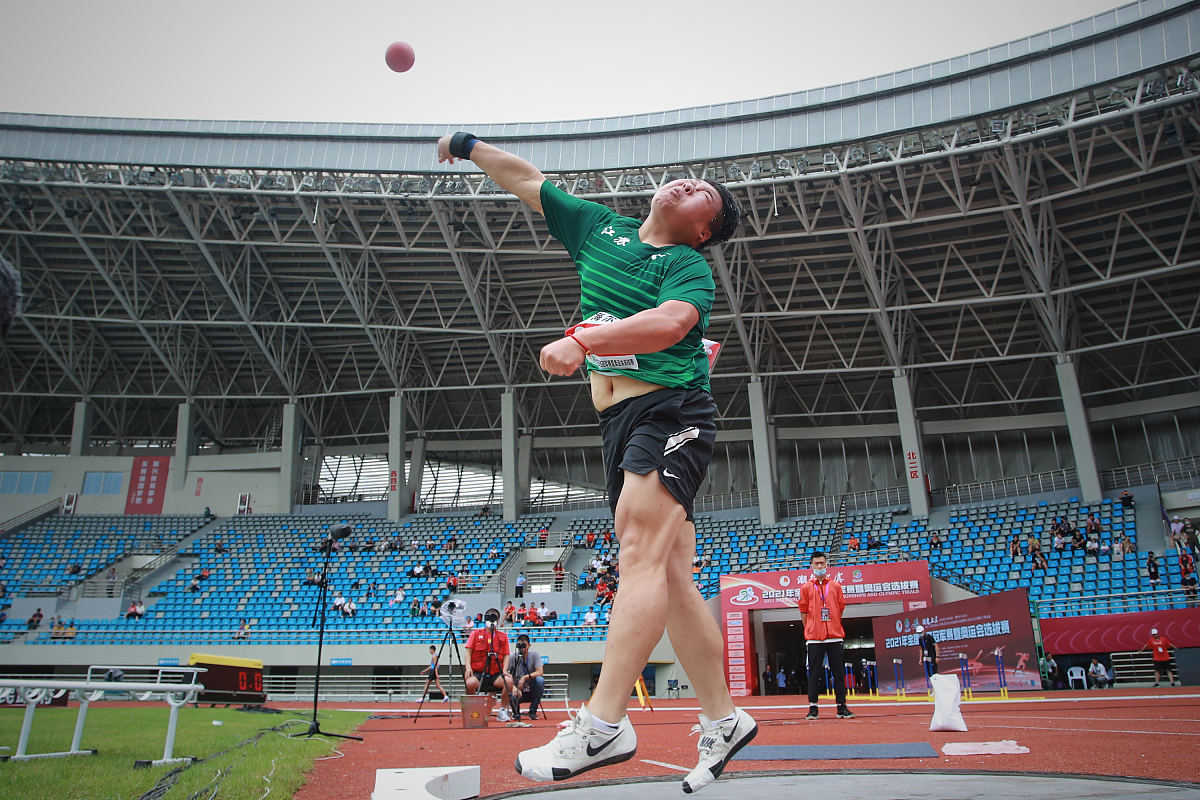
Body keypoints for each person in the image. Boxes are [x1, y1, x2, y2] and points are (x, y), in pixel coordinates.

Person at [437, 131, 753, 792]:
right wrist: (469, 145)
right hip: (618, 423)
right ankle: (724, 719)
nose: (690, 183)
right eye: (691, 177)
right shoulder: (600, 229)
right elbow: (528, 181)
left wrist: (584, 340)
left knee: (637, 552)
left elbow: (671, 325)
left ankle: (605, 724)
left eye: (705, 194)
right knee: (671, 576)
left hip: (671, 409)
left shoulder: (687, 267)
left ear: (704, 230)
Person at [799, 551, 854, 720]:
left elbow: (840, 608)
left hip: (835, 636)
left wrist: (834, 623)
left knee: (838, 673)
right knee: (814, 673)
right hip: (814, 638)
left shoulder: (835, 586)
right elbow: (803, 611)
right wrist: (811, 629)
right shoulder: (806, 587)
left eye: (822, 563)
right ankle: (813, 708)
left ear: (827, 564)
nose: (819, 566)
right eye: (816, 563)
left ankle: (841, 707)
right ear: (811, 566)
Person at [465, 608, 513, 722]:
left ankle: (502, 710)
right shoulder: (475, 634)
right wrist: (468, 667)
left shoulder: (503, 637)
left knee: (509, 681)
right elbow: (468, 652)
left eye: (494, 618)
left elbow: (506, 655)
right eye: (489, 617)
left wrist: (505, 670)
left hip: (496, 674)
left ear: (498, 620)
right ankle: (476, 710)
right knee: (469, 683)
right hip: (479, 673)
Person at [507, 633, 545, 721]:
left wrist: (524, 677)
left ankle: (533, 711)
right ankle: (516, 713)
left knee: (540, 680)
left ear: (529, 645)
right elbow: (505, 674)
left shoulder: (535, 655)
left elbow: (540, 672)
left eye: (524, 646)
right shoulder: (513, 657)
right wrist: (513, 687)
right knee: (507, 685)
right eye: (520, 645)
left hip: (531, 688)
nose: (522, 649)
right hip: (518, 690)